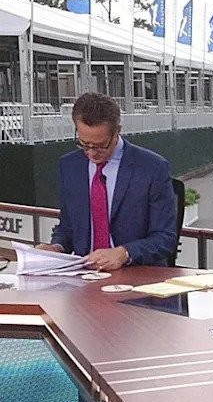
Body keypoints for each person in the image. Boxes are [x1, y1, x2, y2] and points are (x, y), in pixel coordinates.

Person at [37, 92, 177, 270]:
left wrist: (125, 253)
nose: (92, 153)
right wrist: (56, 247)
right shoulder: (70, 165)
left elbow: (165, 238)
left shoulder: (152, 168)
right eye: (84, 144)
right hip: (84, 274)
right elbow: (68, 227)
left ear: (117, 131)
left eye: (101, 145)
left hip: (136, 273)